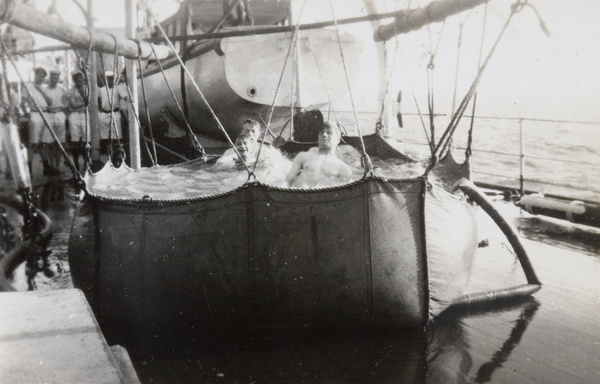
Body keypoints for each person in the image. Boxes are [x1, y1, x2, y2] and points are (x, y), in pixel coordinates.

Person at [215, 118, 292, 183]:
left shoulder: (266, 150)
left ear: (258, 134)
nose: (250, 134)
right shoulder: (235, 150)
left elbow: (283, 165)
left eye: (253, 131)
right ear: (242, 132)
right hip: (239, 178)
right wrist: (234, 163)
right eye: (247, 131)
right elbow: (219, 164)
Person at [285, 122, 353, 188]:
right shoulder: (303, 156)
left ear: (338, 140)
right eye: (321, 132)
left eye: (329, 133)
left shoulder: (343, 169)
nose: (324, 135)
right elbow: (287, 181)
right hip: (296, 195)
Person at [21, 67, 56, 176]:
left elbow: (50, 102)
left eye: (43, 77)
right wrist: (28, 115)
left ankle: (46, 167)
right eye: (39, 76)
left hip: (45, 114)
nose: (41, 78)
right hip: (35, 113)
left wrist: (40, 89)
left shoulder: (43, 88)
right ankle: (29, 170)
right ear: (35, 75)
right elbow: (22, 103)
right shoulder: (27, 87)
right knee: (33, 143)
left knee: (44, 142)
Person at [98, 70, 128, 163]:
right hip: (104, 115)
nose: (110, 81)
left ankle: (116, 158)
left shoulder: (117, 88)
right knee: (104, 138)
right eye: (108, 79)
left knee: (117, 138)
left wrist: (123, 83)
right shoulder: (100, 90)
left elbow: (126, 97)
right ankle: (106, 159)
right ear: (105, 80)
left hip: (115, 114)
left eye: (111, 79)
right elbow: (98, 102)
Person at [63, 71, 89, 172]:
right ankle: (76, 164)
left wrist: (83, 94)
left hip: (84, 114)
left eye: (80, 80)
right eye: (76, 80)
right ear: (74, 81)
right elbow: (74, 105)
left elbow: (89, 102)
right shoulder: (69, 91)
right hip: (74, 115)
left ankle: (87, 163)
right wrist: (85, 102)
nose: (79, 82)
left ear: (83, 79)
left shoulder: (87, 90)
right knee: (75, 141)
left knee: (86, 139)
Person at [45, 70, 67, 174]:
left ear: (58, 79)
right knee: (49, 143)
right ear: (49, 78)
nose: (54, 80)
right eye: (52, 77)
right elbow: (44, 105)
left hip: (59, 115)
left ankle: (57, 166)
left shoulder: (62, 90)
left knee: (59, 142)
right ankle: (51, 166)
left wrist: (59, 108)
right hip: (48, 116)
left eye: (56, 78)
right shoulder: (44, 90)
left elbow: (65, 105)